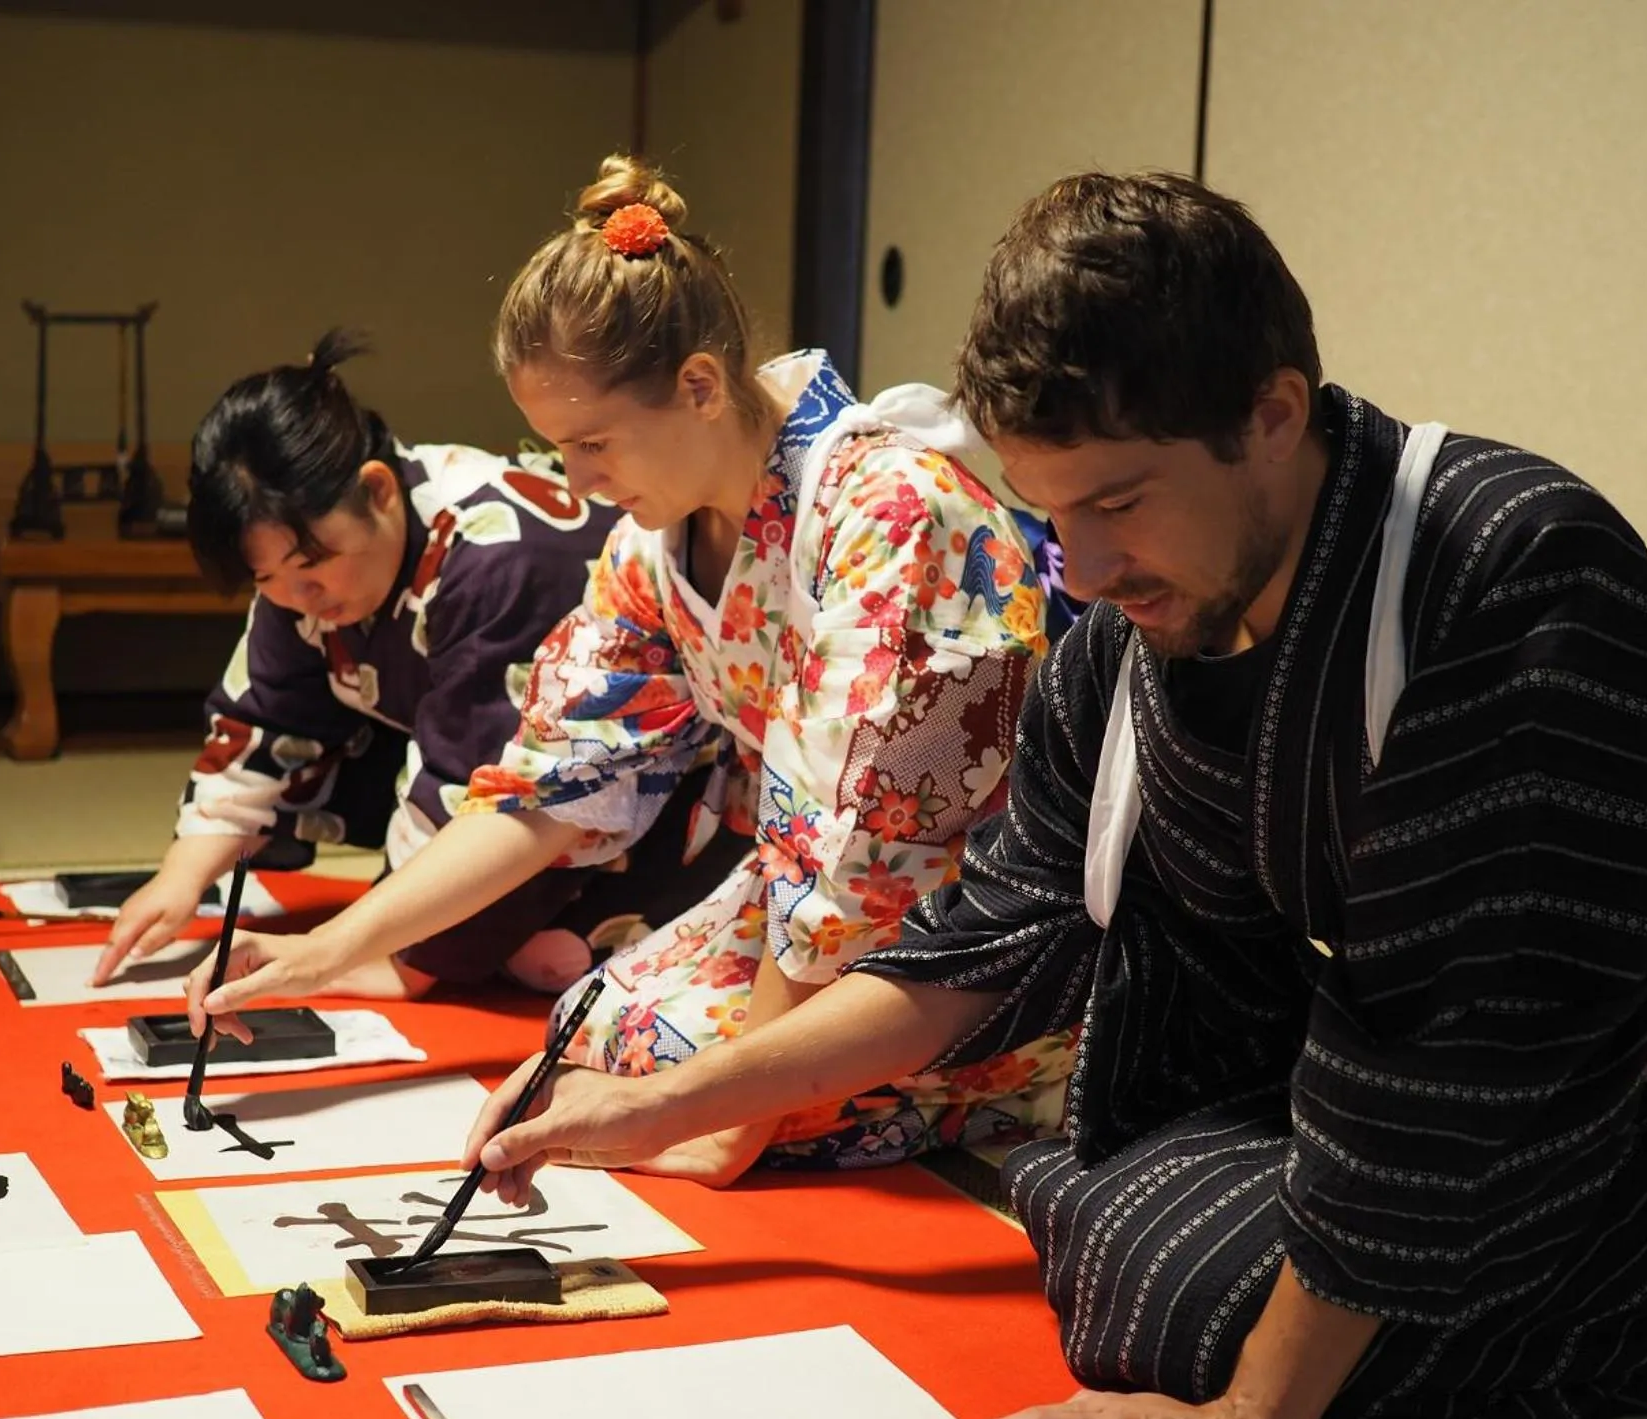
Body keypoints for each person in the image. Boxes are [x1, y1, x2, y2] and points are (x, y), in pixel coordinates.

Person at [459, 171, 1647, 1419]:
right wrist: (650, 1109)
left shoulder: (1512, 578)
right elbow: (984, 948)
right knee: (1098, 1207)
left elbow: (1450, 1057)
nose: (1076, 571)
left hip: (1593, 1089)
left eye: (1117, 505)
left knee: (1192, 1306)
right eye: (1053, 511)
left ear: (1273, 414)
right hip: (1337, 1070)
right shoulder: (1140, 639)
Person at [186, 156, 1067, 1184]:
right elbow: (548, 788)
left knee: (658, 1062)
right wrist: (328, 949)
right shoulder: (653, 547)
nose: (580, 480)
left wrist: (730, 1114)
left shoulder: (891, 512)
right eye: (561, 448)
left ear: (698, 386)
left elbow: (861, 855)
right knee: (586, 1031)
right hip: (808, 889)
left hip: (967, 920)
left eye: (593, 442)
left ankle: (1016, 1078)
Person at [93, 330, 719, 998]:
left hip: (648, 787)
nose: (302, 598)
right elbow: (263, 717)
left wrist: (379, 956)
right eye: (268, 578)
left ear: (379, 489)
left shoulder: (499, 557)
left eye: (311, 566)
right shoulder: (306, 564)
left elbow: (497, 788)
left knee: (556, 964)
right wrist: (182, 876)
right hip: (485, 770)